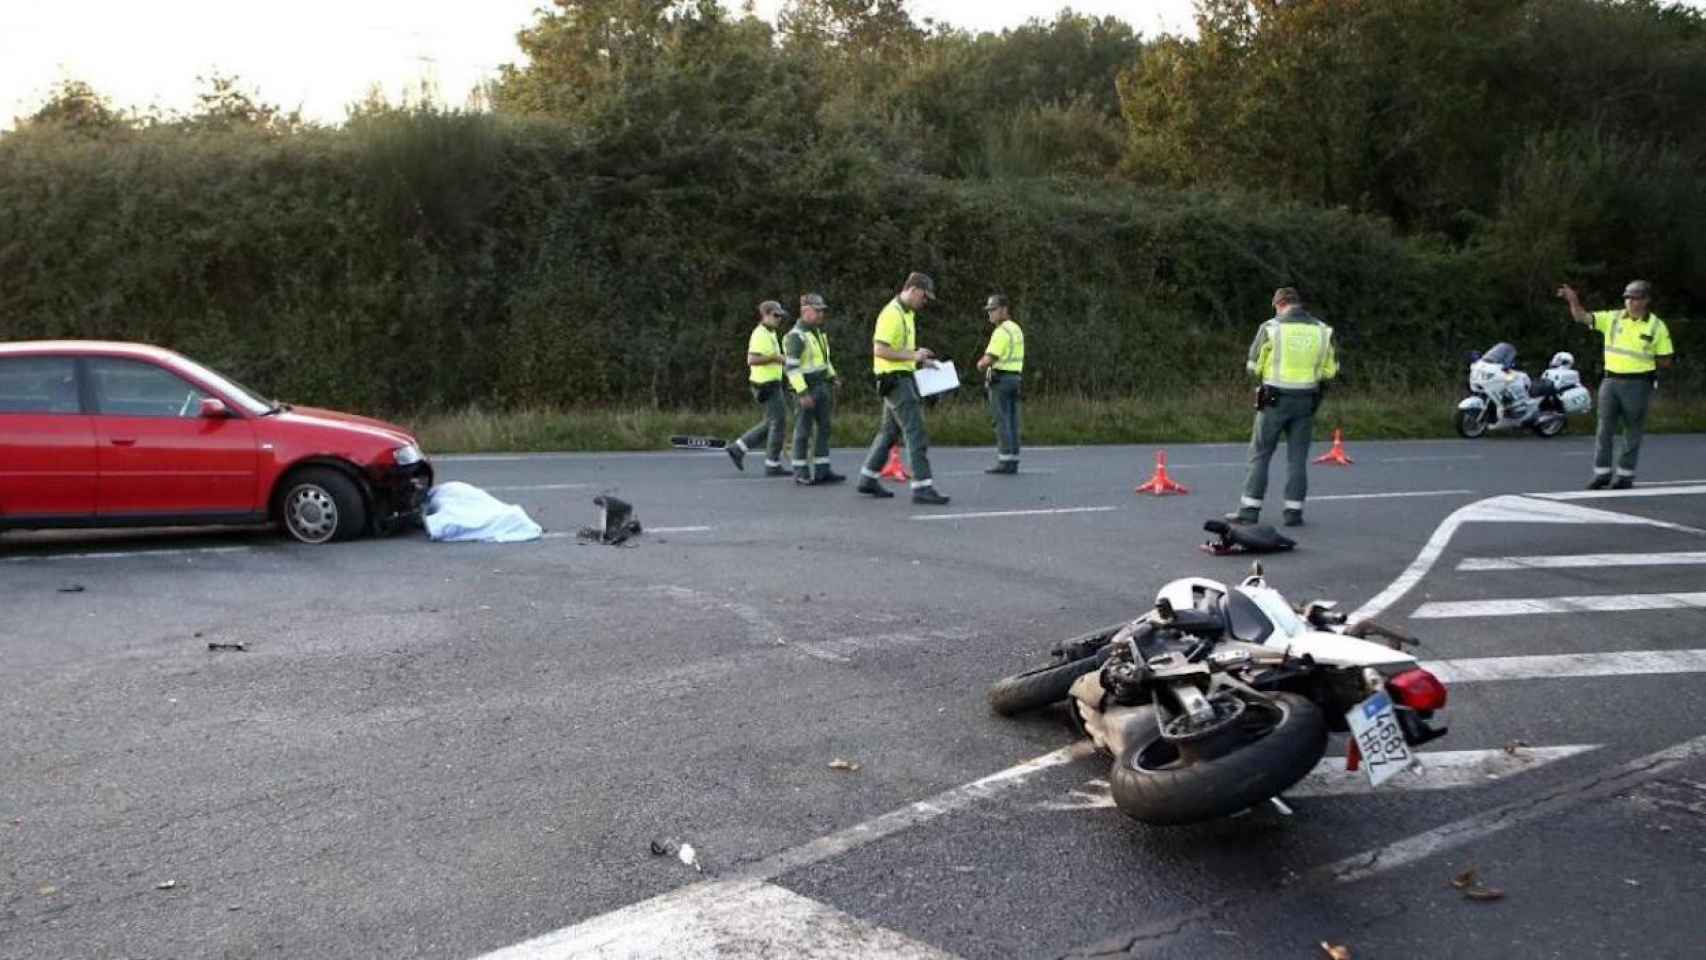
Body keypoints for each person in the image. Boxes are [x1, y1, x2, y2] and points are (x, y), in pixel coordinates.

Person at [1229, 287, 1338, 527]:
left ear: (1279, 304)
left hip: (1274, 400)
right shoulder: (1323, 331)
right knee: (1297, 459)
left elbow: (1253, 366)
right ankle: (1293, 513)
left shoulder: (1271, 328)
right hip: (1307, 401)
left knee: (1260, 454)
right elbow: (1329, 371)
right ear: (1297, 304)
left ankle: (1249, 511)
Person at [1556, 280, 1675, 489]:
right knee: (1604, 429)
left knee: (1632, 430)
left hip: (1638, 383)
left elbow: (1666, 360)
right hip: (1610, 381)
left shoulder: (1656, 326)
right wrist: (1573, 300)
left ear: (1646, 300)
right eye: (1628, 298)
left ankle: (1625, 475)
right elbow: (1582, 317)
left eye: (1636, 298)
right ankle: (1601, 473)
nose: (1631, 302)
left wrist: (1644, 358)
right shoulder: (1613, 318)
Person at [856, 272, 950, 505]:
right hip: (895, 381)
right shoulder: (892, 314)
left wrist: (920, 360)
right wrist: (913, 355)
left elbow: (899, 351)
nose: (925, 302)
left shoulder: (906, 314)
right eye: (925, 297)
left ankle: (867, 478)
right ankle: (922, 486)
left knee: (890, 432)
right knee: (915, 431)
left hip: (899, 377)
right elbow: (880, 350)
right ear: (914, 289)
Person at [785, 292, 845, 485]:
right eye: (817, 311)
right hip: (806, 389)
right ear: (805, 311)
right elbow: (791, 368)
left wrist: (833, 376)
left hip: (822, 386)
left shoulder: (817, 333)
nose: (821, 315)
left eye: (822, 311)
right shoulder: (797, 336)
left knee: (824, 429)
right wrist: (802, 393)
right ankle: (800, 470)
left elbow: (824, 361)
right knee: (803, 430)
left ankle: (822, 470)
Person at [726, 300, 791, 476]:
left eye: (780, 316)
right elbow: (752, 360)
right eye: (776, 315)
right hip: (765, 385)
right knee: (779, 422)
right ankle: (772, 464)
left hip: (771, 383)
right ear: (766, 315)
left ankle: (738, 448)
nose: (779, 319)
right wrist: (775, 358)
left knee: (771, 422)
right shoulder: (760, 334)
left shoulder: (771, 333)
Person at [975, 293, 1025, 474]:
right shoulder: (1016, 329)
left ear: (1004, 310)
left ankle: (1004, 460)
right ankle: (1013, 459)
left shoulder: (1001, 332)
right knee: (1012, 420)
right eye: (989, 310)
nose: (990, 314)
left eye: (993, 310)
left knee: (1001, 420)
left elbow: (990, 358)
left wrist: (979, 364)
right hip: (1015, 378)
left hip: (1000, 379)